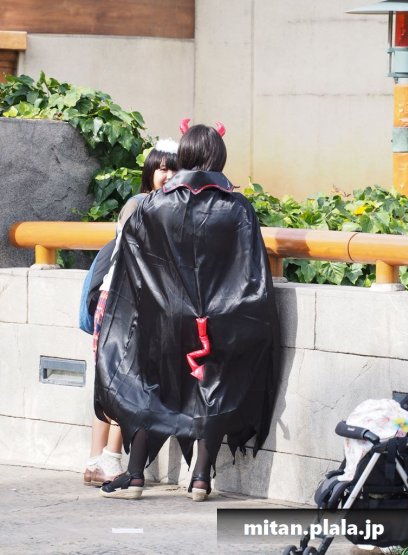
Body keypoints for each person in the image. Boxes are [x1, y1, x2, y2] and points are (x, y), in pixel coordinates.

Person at [94, 121, 280, 501]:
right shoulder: (237, 208)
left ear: (185, 155)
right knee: (212, 388)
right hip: (218, 320)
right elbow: (252, 273)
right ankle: (200, 480)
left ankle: (135, 476)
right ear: (219, 157)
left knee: (149, 384)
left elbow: (135, 266)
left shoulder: (152, 206)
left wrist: (159, 306)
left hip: (162, 318)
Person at [83, 139, 178, 486]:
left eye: (174, 169)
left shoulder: (142, 204)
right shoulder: (141, 205)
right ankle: (108, 458)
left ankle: (97, 461)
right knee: (125, 377)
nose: (168, 175)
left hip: (117, 296)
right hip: (126, 300)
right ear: (150, 171)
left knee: (109, 376)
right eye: (162, 168)